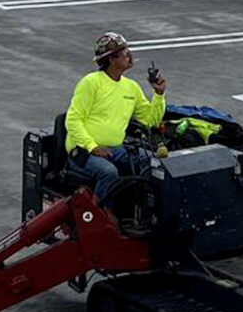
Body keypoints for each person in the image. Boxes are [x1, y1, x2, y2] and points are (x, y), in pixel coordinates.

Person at [66, 32, 167, 203]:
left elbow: (150, 120)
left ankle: (144, 212)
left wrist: (158, 94)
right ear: (111, 59)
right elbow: (73, 120)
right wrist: (92, 147)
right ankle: (98, 216)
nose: (130, 55)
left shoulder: (131, 87)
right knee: (109, 173)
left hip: (114, 149)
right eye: (124, 52)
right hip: (83, 151)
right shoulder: (91, 83)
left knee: (151, 162)